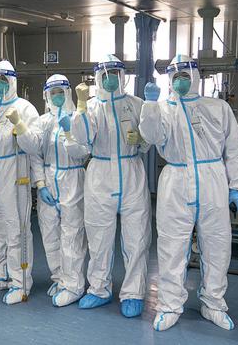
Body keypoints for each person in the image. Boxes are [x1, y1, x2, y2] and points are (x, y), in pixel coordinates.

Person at [139, 54, 238, 331]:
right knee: (172, 246)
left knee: (217, 245)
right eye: (176, 77)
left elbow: (233, 149)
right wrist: (150, 105)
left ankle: (214, 303)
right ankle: (170, 305)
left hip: (213, 180)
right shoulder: (163, 108)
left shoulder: (217, 107)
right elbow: (151, 138)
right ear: (169, 80)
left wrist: (236, 186)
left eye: (186, 76)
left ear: (196, 76)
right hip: (176, 178)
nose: (181, 81)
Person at [71, 54, 152, 318]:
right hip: (100, 172)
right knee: (98, 236)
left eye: (114, 74)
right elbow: (82, 139)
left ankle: (133, 293)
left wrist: (140, 138)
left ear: (122, 76)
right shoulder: (91, 106)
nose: (109, 79)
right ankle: (99, 289)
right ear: (97, 78)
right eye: (104, 75)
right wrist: (81, 106)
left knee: (136, 237)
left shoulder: (136, 104)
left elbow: (150, 140)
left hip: (132, 171)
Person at [15, 74, 88, 307]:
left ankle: (74, 285)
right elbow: (34, 153)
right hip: (48, 180)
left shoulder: (78, 118)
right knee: (50, 235)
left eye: (61, 92)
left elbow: (82, 153)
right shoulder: (43, 121)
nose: (57, 96)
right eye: (52, 92)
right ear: (46, 95)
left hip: (72, 178)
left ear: (67, 93)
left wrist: (69, 131)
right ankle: (59, 277)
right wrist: (40, 184)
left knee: (72, 234)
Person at [0, 60, 42, 305]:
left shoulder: (25, 108)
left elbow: (34, 145)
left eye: (5, 79)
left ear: (13, 81)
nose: (0, 83)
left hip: (13, 172)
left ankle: (20, 282)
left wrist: (19, 125)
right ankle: (0, 274)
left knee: (17, 230)